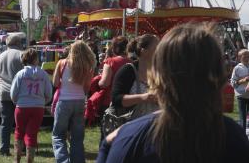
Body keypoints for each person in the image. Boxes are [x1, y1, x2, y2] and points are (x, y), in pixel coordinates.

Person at [97, 23, 249, 163]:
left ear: (160, 76)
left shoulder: (131, 140)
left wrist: (106, 147)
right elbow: (117, 97)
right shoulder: (234, 139)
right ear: (218, 77)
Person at [52, 40, 96, 163]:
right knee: (77, 137)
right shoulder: (88, 67)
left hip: (64, 101)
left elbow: (55, 83)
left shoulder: (62, 63)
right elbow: (87, 87)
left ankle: (63, 160)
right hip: (80, 101)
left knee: (58, 135)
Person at [107, 34, 159, 133]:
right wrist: (144, 97)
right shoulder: (128, 70)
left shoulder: (161, 72)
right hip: (132, 130)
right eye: (157, 47)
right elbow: (116, 99)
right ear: (144, 51)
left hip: (156, 128)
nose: (161, 50)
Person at [10, 48, 52, 163]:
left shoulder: (20, 74)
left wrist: (17, 102)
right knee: (32, 135)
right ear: (36, 59)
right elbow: (49, 93)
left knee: (19, 132)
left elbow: (13, 93)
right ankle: (30, 160)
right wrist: (42, 102)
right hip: (38, 107)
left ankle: (16, 160)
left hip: (22, 106)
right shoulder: (43, 74)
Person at [0, 34, 24, 156]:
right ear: (18, 42)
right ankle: (22, 148)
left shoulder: (0, 57)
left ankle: (4, 149)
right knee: (21, 123)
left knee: (5, 123)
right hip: (20, 94)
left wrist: (0, 87)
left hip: (4, 93)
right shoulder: (21, 54)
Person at [230, 48, 249, 131]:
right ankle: (243, 136)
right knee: (243, 117)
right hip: (241, 95)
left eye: (248, 56)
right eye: (245, 56)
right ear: (240, 57)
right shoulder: (237, 68)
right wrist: (243, 80)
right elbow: (232, 83)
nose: (247, 58)